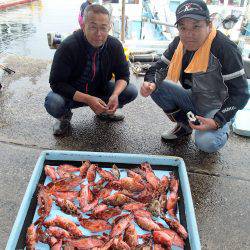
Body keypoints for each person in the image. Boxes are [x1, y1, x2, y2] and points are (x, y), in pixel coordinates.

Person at [140, 0, 249, 153]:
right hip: (194, 96)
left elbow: (241, 94)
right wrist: (150, 82)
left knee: (206, 143)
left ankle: (222, 129)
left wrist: (217, 121)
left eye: (196, 26)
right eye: (183, 27)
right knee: (156, 87)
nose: (189, 34)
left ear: (209, 25)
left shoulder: (225, 48)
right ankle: (185, 126)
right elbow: (158, 68)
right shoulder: (178, 43)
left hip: (217, 106)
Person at [45, 4, 138, 135]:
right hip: (73, 93)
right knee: (54, 102)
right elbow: (56, 84)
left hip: (100, 90)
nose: (99, 34)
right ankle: (63, 117)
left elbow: (123, 75)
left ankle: (105, 111)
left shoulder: (115, 45)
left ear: (109, 28)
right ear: (83, 26)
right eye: (93, 27)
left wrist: (115, 95)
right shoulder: (67, 46)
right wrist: (88, 99)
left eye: (103, 28)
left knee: (131, 91)